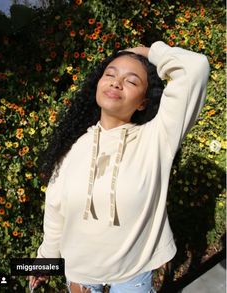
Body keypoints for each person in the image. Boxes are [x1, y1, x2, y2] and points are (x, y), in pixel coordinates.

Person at [29, 41, 210, 292]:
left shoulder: (157, 139)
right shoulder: (73, 147)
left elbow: (195, 67)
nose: (116, 83)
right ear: (98, 84)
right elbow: (55, 211)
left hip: (132, 275)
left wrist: (146, 52)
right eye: (110, 75)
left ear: (143, 102)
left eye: (132, 81)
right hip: (80, 274)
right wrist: (45, 262)